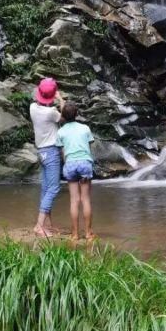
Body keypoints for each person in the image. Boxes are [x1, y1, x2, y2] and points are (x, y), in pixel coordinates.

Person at [30, 77, 64, 237]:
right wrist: (60, 99)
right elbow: (65, 118)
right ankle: (39, 226)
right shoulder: (51, 113)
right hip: (51, 152)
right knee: (54, 188)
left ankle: (48, 224)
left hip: (41, 152)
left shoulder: (32, 108)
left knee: (45, 188)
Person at [56, 102, 96, 241]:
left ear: (63, 116)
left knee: (74, 200)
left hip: (70, 164)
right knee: (85, 199)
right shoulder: (85, 128)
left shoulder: (60, 131)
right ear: (77, 114)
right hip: (85, 163)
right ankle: (88, 233)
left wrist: (67, 163)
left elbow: (63, 152)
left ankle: (74, 234)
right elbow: (89, 146)